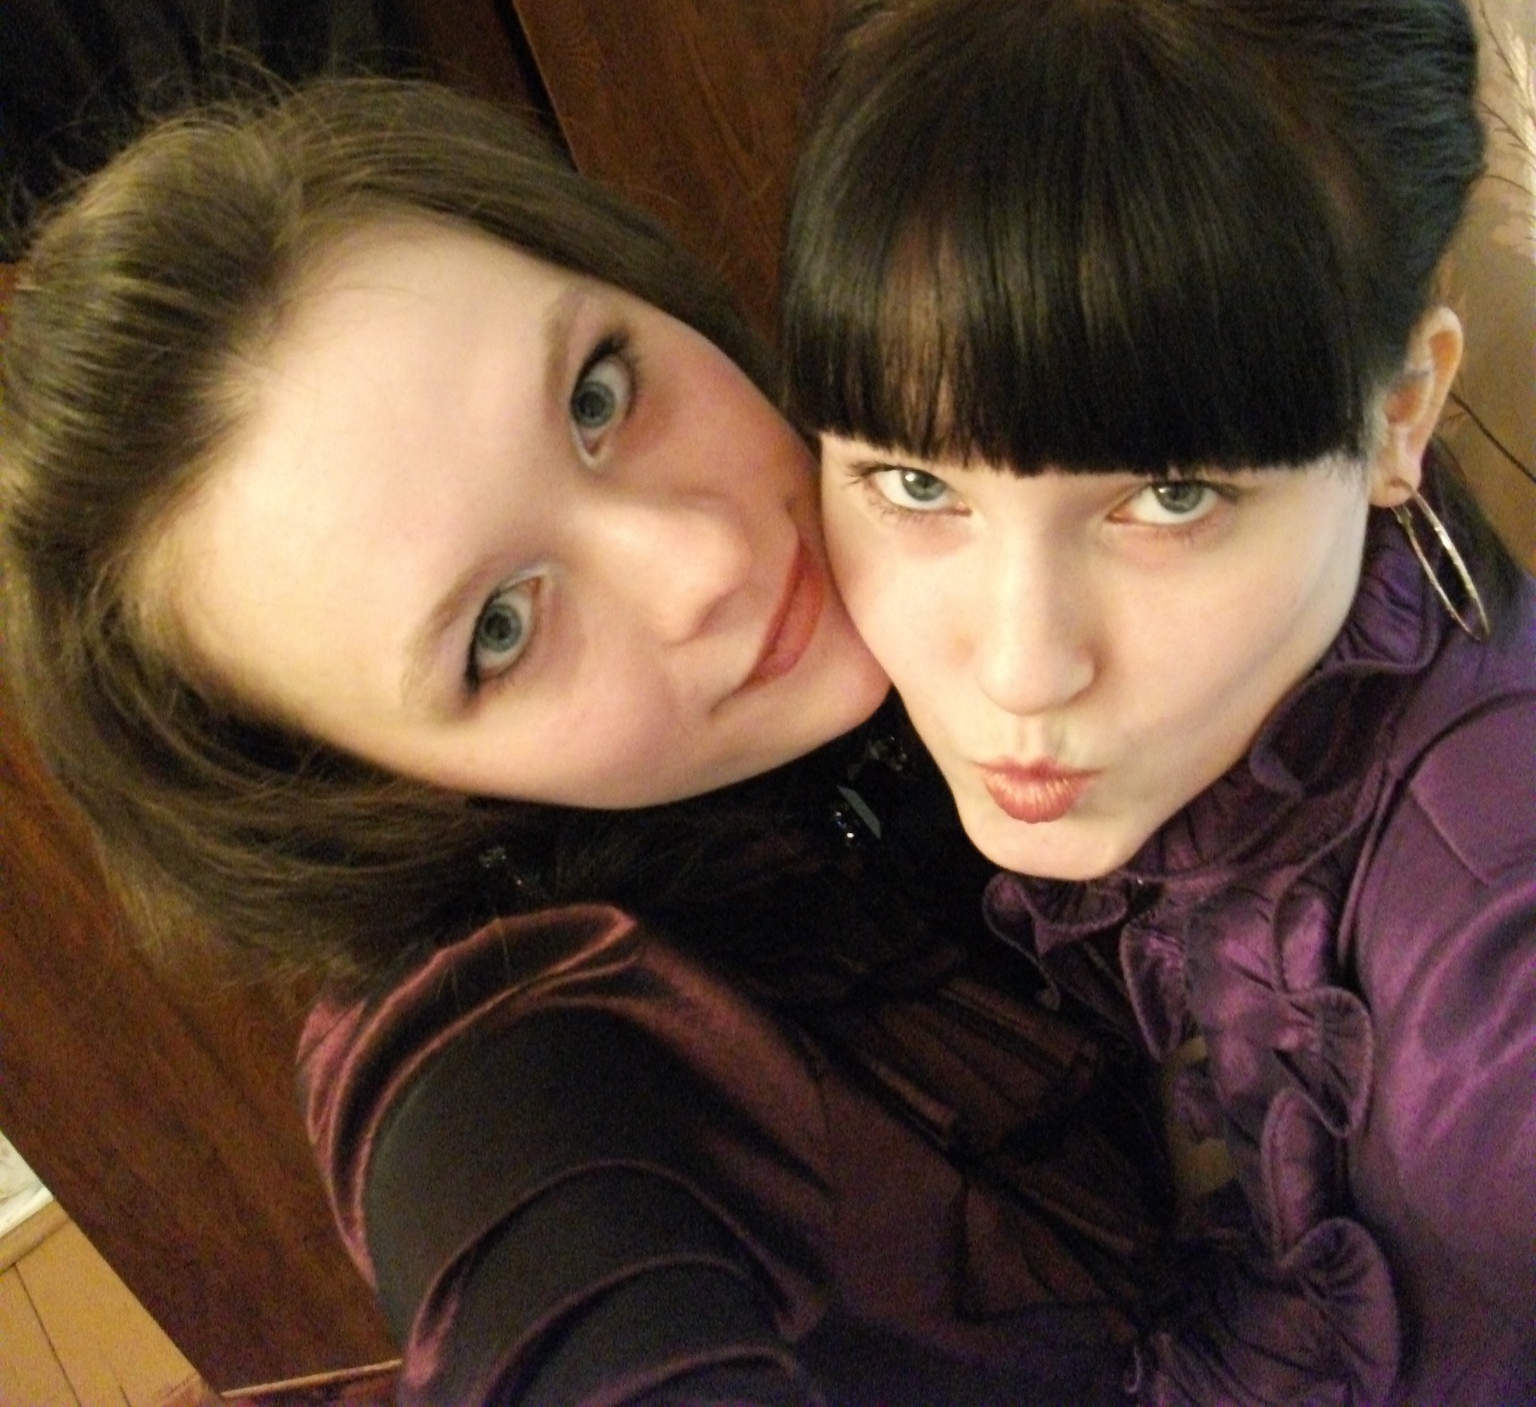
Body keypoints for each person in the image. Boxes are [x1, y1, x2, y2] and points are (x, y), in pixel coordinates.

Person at [0, 77, 1176, 1407]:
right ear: (372, 791)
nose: (703, 562)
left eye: (597, 397)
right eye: (499, 630)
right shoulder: (518, 1053)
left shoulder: (953, 415)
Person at [780, 0, 1536, 1407]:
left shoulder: (1479, 963)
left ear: (1403, 412)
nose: (1019, 668)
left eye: (1172, 496)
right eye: (915, 483)